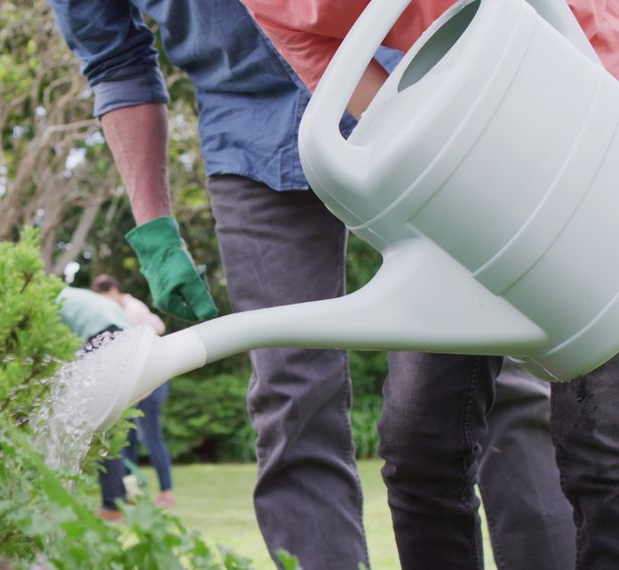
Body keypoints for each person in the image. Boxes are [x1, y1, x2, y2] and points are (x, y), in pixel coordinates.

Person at [45, 1, 576, 568]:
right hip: (251, 136)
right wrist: (153, 228)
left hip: (409, 85)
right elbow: (115, 61)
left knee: (496, 369)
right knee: (292, 401)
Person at [238, 2, 619, 568]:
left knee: (600, 444)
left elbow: (571, 24)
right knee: (420, 446)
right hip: (463, 162)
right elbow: (374, 105)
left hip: (585, 121)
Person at [92, 274, 175, 508]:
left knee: (151, 438)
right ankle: (132, 493)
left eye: (106, 297)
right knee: (126, 441)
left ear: (115, 290)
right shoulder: (117, 310)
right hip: (133, 385)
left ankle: (167, 492)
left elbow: (159, 327)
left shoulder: (133, 309)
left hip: (152, 383)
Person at [56, 286, 134, 522]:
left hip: (103, 336)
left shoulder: (51, 298)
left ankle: (110, 504)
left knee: (89, 424)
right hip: (128, 339)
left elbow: (55, 344)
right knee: (107, 424)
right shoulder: (75, 295)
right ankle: (114, 501)